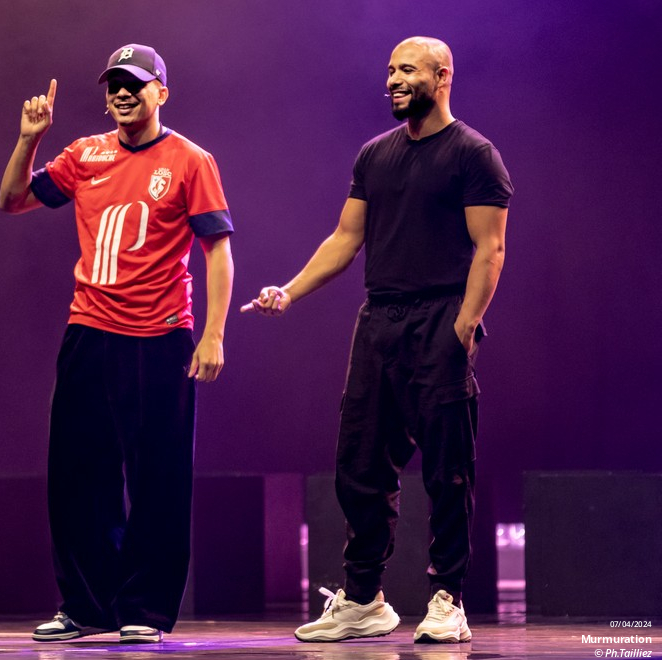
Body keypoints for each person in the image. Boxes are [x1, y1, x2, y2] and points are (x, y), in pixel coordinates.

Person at [243, 36, 512, 644]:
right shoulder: (375, 155)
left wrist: (463, 327)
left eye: (407, 70)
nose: (392, 79)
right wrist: (288, 290)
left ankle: (448, 598)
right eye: (389, 69)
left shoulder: (474, 154)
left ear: (442, 77)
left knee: (448, 468)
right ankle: (364, 599)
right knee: (359, 465)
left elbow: (490, 249)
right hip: (380, 322)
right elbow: (345, 237)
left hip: (441, 316)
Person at [0, 44, 234, 644]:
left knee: (157, 477)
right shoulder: (85, 153)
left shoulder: (190, 160)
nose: (122, 94)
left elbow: (217, 251)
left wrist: (211, 334)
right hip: (89, 334)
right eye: (114, 85)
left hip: (159, 339)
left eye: (135, 83)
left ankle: (145, 610)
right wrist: (29, 139)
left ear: (162, 92)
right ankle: (87, 605)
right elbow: (13, 201)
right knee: (76, 474)